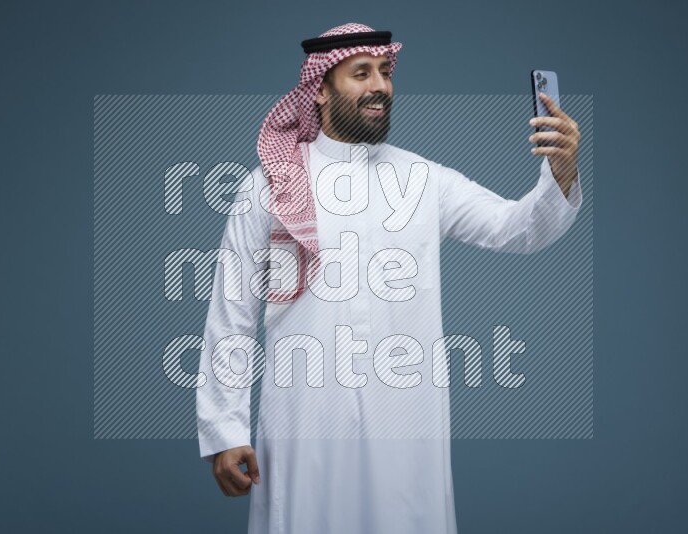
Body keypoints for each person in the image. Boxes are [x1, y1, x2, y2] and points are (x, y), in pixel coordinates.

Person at [196, 22, 583, 534]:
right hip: (305, 414)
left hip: (405, 415)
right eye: (361, 73)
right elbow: (232, 315)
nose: (380, 85)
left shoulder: (424, 179)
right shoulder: (268, 186)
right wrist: (224, 428)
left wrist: (560, 172)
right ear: (319, 92)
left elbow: (516, 229)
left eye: (385, 71)